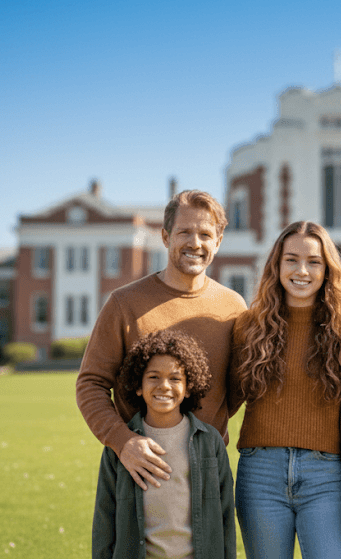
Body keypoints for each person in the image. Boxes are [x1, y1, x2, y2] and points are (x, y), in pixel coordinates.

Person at [77, 190, 246, 491]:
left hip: (208, 470)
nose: (195, 243)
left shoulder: (233, 308)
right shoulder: (124, 303)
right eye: (185, 232)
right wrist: (124, 441)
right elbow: (91, 383)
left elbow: (234, 391)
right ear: (166, 237)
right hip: (139, 468)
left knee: (214, 541)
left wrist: (205, 434)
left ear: (218, 243)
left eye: (206, 234)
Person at [227, 221, 341, 559]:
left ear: (327, 270)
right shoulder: (249, 327)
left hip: (327, 476)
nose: (302, 270)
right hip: (259, 473)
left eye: (314, 261)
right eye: (291, 260)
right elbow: (227, 399)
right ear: (276, 266)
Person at [92, 330, 236, 559]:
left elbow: (226, 513)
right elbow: (104, 516)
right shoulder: (121, 445)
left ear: (189, 387)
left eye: (175, 378)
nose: (164, 386)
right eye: (153, 377)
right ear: (138, 385)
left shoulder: (210, 441)